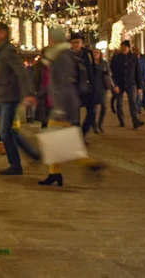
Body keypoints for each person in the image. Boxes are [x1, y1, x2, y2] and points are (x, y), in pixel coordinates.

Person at [38, 28, 104, 187]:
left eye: (51, 38)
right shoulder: (59, 55)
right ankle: (55, 174)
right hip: (63, 103)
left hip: (64, 105)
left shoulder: (62, 57)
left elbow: (65, 83)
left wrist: (60, 108)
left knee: (63, 143)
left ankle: (90, 164)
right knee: (55, 140)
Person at [0, 23, 40, 176]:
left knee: (5, 132)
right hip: (4, 95)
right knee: (10, 131)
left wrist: (28, 93)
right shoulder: (1, 51)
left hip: (10, 97)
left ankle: (16, 165)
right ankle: (32, 155)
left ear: (3, 34)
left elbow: (21, 72)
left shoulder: (8, 51)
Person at [69, 32, 98, 138]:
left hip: (88, 88)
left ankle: (82, 134)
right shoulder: (67, 55)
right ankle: (77, 138)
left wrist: (95, 85)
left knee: (92, 113)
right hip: (74, 89)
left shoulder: (88, 54)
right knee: (75, 117)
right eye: (73, 42)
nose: (76, 45)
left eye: (78, 42)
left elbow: (94, 69)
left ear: (82, 43)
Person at [110, 40, 145, 129]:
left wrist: (139, 87)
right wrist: (115, 84)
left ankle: (135, 121)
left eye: (125, 46)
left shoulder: (133, 58)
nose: (123, 48)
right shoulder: (116, 58)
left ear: (129, 48)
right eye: (122, 46)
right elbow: (112, 72)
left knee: (132, 102)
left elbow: (138, 73)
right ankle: (121, 121)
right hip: (119, 84)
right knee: (119, 103)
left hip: (131, 84)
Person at [92, 48, 113, 133]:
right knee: (93, 110)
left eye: (97, 52)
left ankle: (100, 123)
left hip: (103, 89)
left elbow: (109, 74)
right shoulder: (90, 64)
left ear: (100, 54)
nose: (96, 54)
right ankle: (94, 125)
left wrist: (112, 85)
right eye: (94, 53)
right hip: (93, 89)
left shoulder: (104, 63)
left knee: (104, 107)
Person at [32, 52, 50, 130]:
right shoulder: (39, 67)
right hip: (44, 94)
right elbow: (35, 80)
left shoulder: (56, 64)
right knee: (45, 117)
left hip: (53, 94)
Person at [132, 46, 145, 112]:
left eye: (137, 50)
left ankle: (144, 104)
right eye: (135, 50)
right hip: (136, 78)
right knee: (138, 93)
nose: (136, 51)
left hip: (144, 77)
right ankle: (138, 107)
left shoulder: (144, 57)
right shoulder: (133, 58)